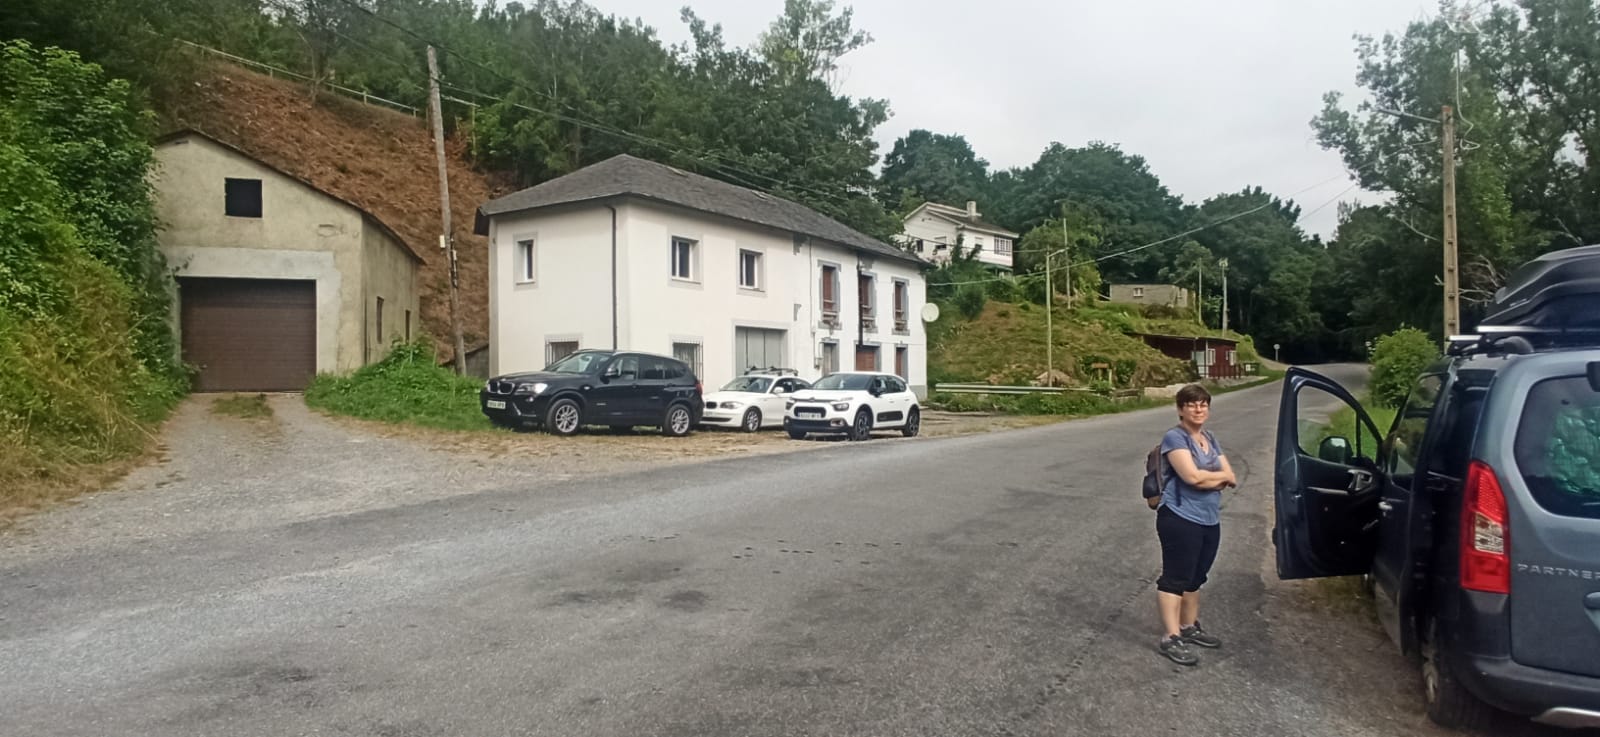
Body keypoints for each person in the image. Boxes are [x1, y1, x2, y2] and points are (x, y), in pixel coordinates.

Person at [1155, 384, 1236, 666]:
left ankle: (1188, 627)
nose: (1198, 409)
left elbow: (1231, 475)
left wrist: (1211, 478)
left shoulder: (1209, 438)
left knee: (1196, 575)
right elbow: (1192, 478)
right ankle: (1170, 637)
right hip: (1179, 517)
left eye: (1203, 404)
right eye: (1191, 404)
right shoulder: (1174, 438)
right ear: (1180, 409)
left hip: (1209, 518)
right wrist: (1215, 478)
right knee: (1175, 577)